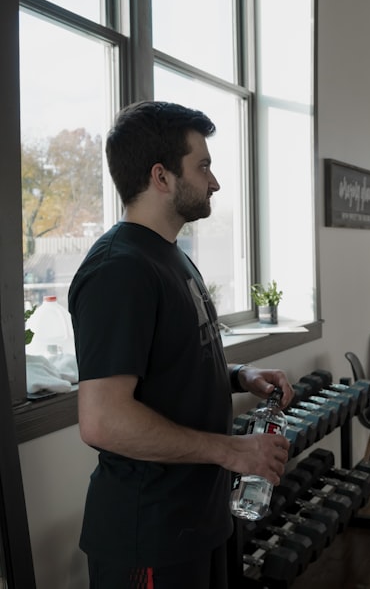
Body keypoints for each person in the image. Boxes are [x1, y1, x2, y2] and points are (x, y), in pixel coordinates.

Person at [69, 100, 294, 589]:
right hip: (149, 537)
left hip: (198, 522)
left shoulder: (170, 257)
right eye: (203, 166)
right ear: (162, 176)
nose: (215, 182)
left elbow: (172, 363)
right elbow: (102, 420)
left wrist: (241, 377)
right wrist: (232, 451)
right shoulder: (118, 270)